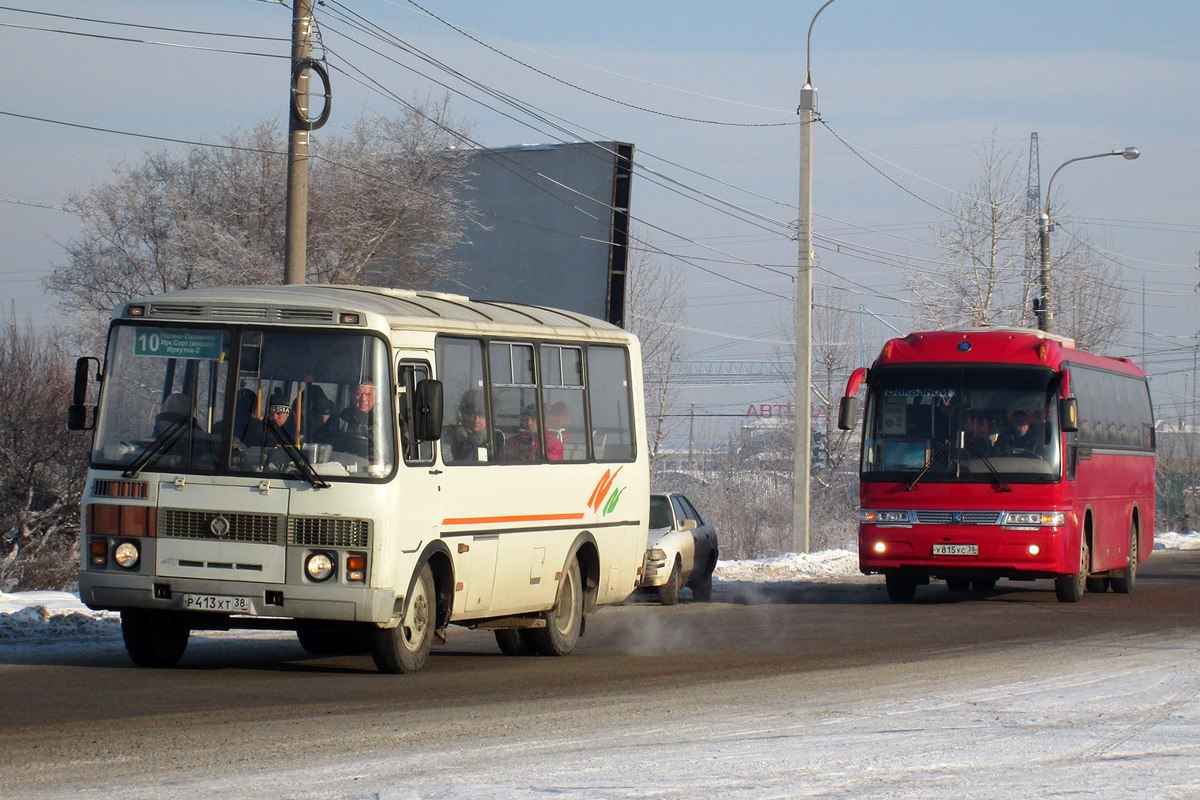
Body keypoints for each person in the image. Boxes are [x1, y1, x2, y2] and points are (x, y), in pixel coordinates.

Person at [329, 382, 380, 458]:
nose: (363, 399)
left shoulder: (385, 419)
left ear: (375, 397)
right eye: (359, 394)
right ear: (351, 396)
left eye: (368, 394)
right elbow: (332, 445)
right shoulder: (342, 418)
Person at [446, 390, 494, 463]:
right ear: (463, 416)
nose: (476, 420)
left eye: (481, 416)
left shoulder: (496, 439)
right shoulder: (450, 440)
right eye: (472, 415)